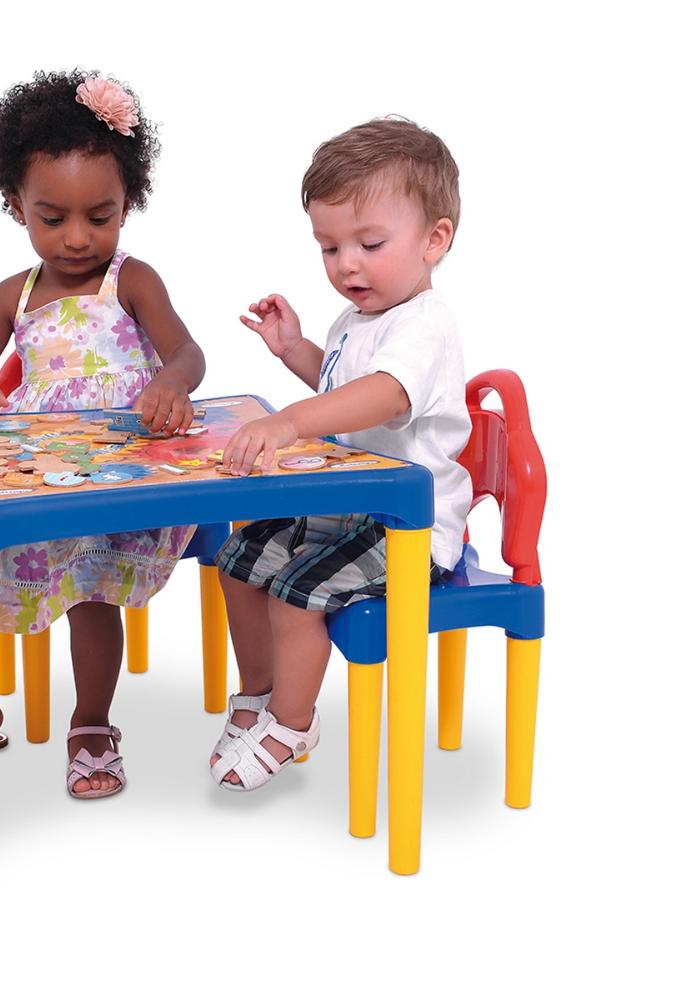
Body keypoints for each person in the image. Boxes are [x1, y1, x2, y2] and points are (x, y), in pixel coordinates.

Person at [0, 70, 205, 799]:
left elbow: (188, 352)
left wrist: (170, 382)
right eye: (52, 216)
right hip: (33, 467)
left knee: (91, 590)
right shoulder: (13, 295)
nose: (77, 237)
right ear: (16, 205)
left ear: (127, 203)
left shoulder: (133, 280)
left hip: (117, 472)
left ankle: (92, 724)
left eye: (100, 216)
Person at [210, 117, 472, 791]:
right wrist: (294, 349)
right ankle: (261, 693)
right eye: (329, 247)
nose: (346, 263)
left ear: (434, 240)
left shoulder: (425, 326)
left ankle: (294, 722)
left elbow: (382, 397)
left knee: (297, 595)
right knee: (238, 561)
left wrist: (290, 423)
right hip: (348, 508)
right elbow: (341, 390)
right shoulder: (356, 321)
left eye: (369, 243)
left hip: (407, 528)